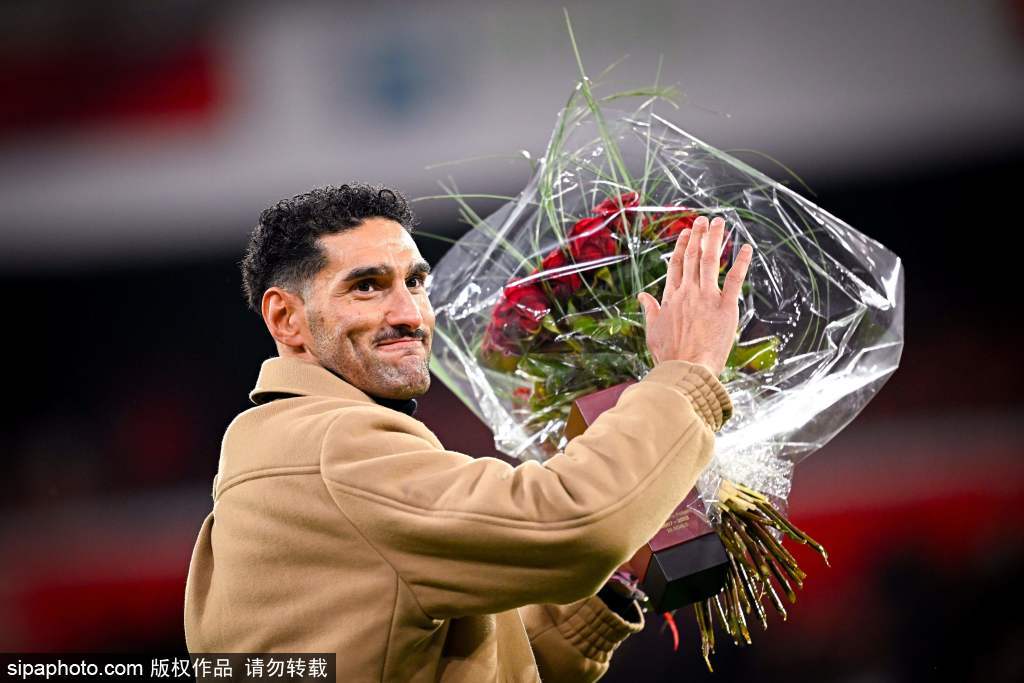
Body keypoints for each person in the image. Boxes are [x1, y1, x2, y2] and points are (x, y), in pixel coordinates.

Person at [184, 183, 752, 682]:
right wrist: (688, 374)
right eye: (367, 287)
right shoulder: (331, 445)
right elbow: (569, 524)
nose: (410, 314)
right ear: (286, 319)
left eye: (415, 282)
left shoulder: (289, 446)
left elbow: (480, 661)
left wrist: (617, 575)